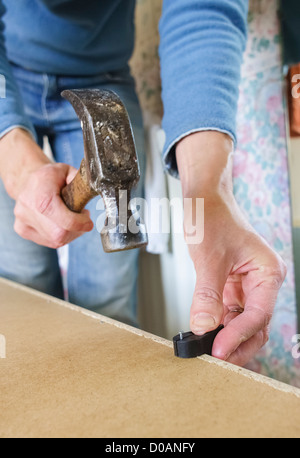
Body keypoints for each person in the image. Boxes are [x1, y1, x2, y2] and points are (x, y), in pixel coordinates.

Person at [0, 0, 286, 368]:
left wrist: (209, 193)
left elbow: (201, 7)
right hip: (8, 75)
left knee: (108, 302)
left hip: (102, 77)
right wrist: (13, 156)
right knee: (23, 287)